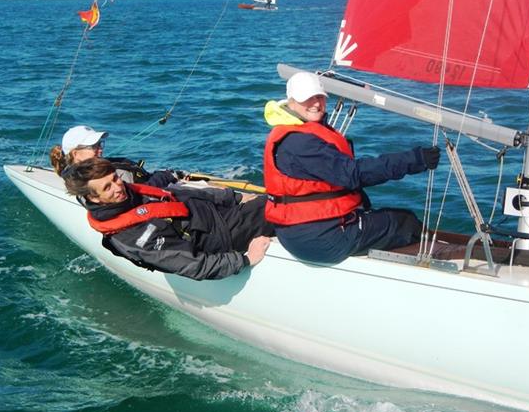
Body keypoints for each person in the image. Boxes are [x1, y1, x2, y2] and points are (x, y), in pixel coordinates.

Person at [263, 71, 441, 265]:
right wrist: (415, 159)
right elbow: (352, 174)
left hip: (298, 231)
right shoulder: (301, 143)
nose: (316, 103)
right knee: (405, 223)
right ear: (291, 101)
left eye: (319, 97)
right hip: (321, 240)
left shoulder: (294, 130)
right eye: (308, 98)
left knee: (384, 215)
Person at [63, 159, 274, 280]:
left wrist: (234, 197)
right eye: (107, 187)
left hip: (222, 214)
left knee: (281, 199)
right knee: (289, 208)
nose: (118, 187)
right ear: (93, 197)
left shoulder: (130, 192)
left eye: (115, 178)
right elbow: (193, 265)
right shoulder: (132, 237)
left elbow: (182, 196)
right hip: (225, 236)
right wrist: (246, 260)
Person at [50, 125, 177, 187]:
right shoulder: (86, 178)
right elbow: (137, 195)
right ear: (75, 153)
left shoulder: (75, 172)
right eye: (93, 146)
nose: (100, 150)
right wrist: (166, 177)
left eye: (100, 144)